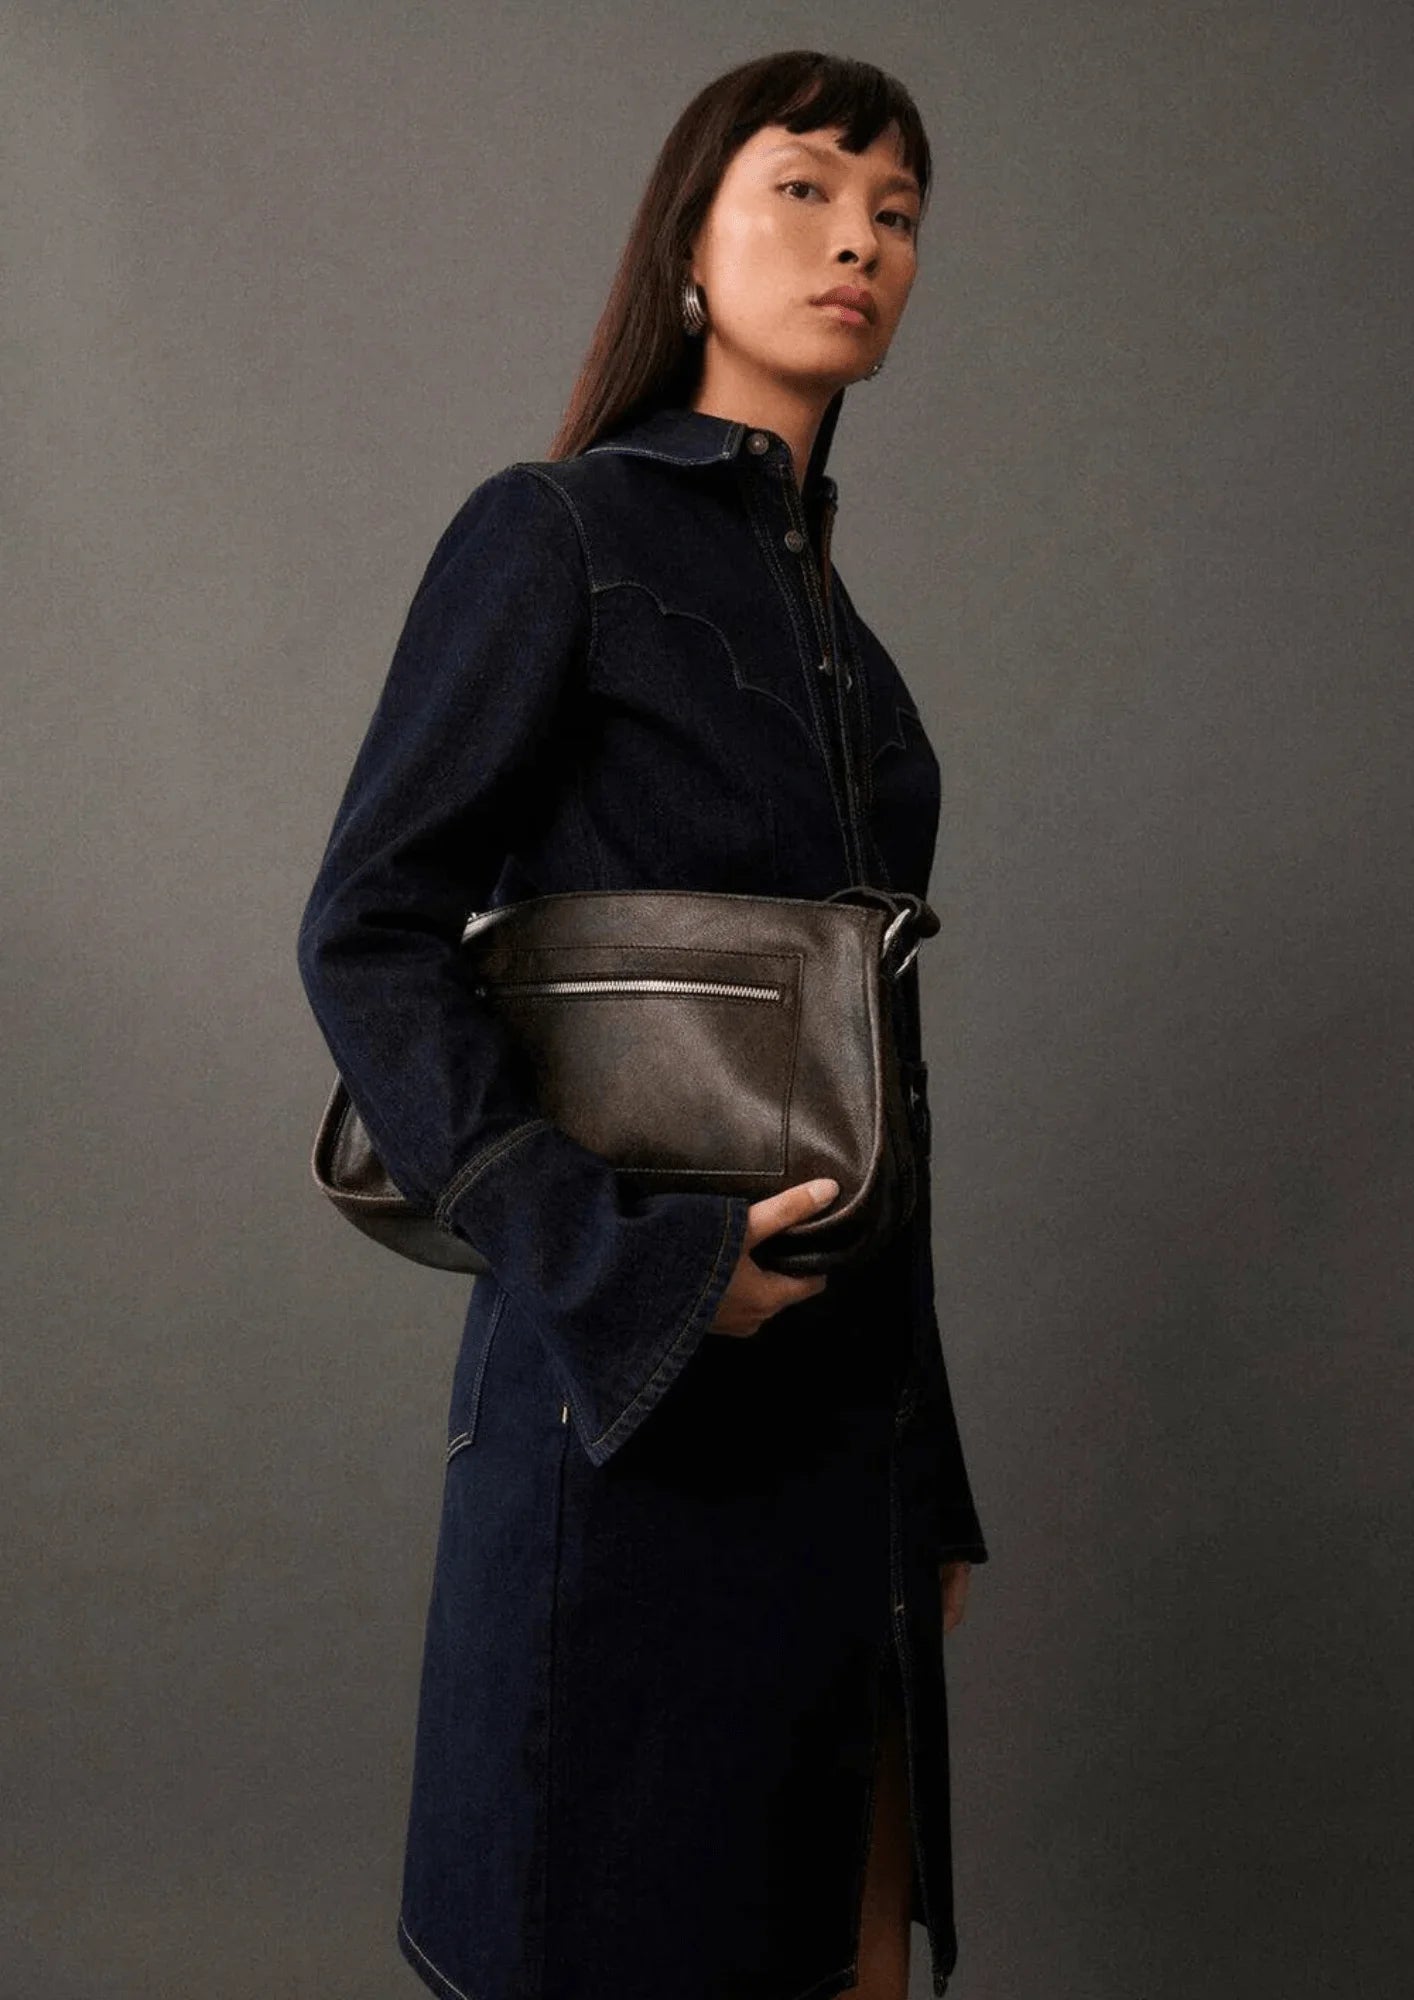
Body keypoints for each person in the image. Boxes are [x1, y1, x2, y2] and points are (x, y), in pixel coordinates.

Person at [296, 47, 989, 2000]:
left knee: (840, 1951)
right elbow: (366, 931)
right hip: (630, 1422)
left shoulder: (848, 651)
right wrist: (624, 1260)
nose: (858, 241)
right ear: (689, 237)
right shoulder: (559, 533)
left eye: (896, 212)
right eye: (804, 188)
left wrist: (930, 1476)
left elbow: (873, 1084)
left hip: (841, 1452)